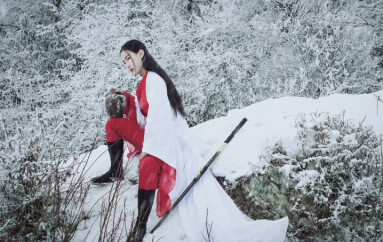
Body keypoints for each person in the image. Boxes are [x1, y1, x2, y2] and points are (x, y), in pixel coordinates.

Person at [95, 39, 289, 242]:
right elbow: (143, 116)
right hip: (154, 136)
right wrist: (125, 96)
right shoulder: (143, 84)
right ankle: (115, 170)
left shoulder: (155, 80)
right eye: (123, 61)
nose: (127, 64)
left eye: (128, 58)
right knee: (112, 124)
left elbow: (159, 118)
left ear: (141, 53)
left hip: (166, 139)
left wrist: (150, 149)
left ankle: (140, 225)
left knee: (147, 164)